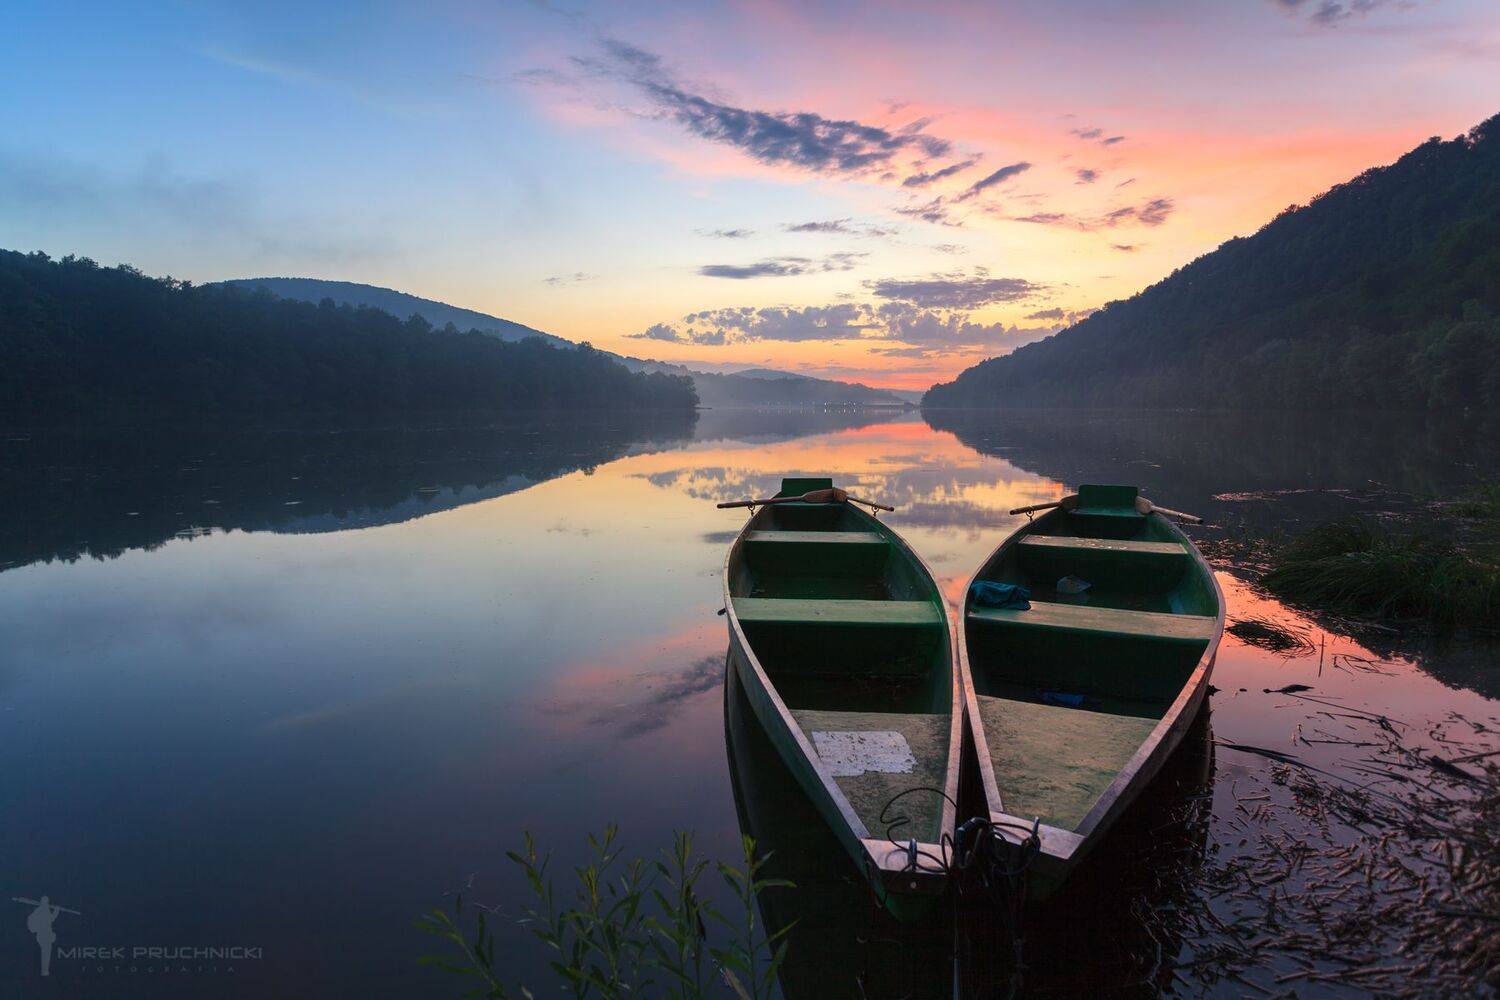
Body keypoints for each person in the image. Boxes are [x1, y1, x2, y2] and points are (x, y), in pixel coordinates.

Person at [26, 896, 62, 977]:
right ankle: (44, 971)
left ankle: (45, 971)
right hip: (44, 935)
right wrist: (56, 910)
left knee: (46, 952)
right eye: (46, 901)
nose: (47, 903)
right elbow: (51, 919)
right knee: (46, 952)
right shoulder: (42, 910)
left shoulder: (41, 909)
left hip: (45, 935)